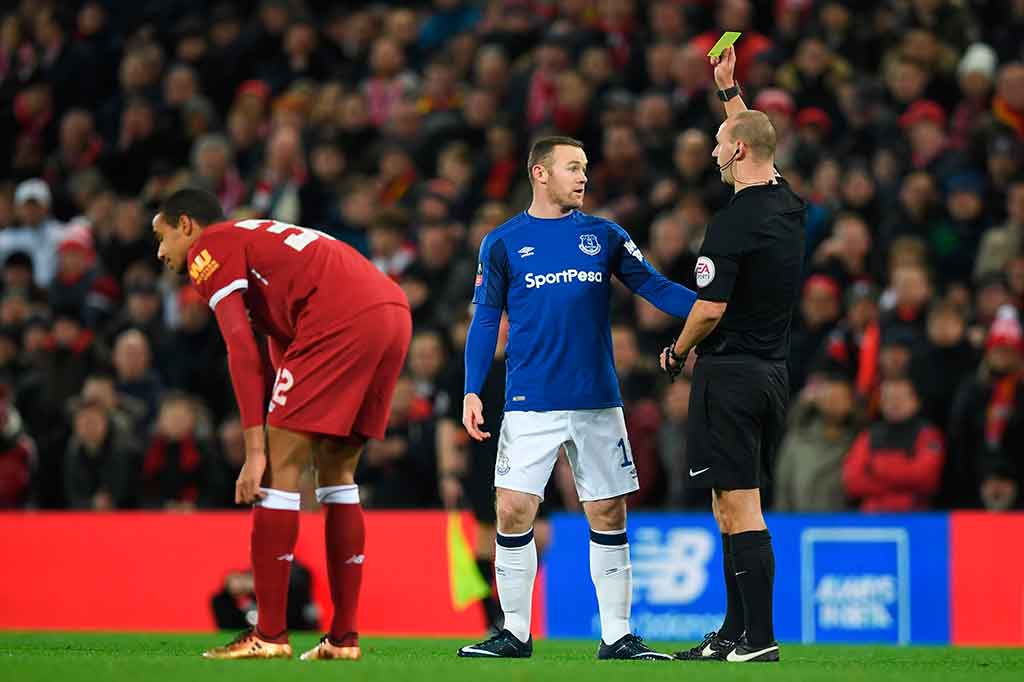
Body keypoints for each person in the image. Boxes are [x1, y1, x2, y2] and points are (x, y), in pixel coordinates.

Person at [456, 135, 698, 660]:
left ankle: (617, 636)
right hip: (529, 401)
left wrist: (712, 308)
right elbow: (485, 321)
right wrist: (472, 389)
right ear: (540, 173)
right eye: (572, 167)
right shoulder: (502, 243)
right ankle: (514, 632)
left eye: (585, 166)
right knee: (512, 509)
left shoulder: (605, 235)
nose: (583, 176)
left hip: (596, 401)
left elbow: (655, 287)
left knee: (608, 512)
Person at [151, 188, 411, 661]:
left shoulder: (210, 247)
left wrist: (255, 453)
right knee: (338, 475)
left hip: (338, 317)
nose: (160, 252)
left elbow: (240, 349)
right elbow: (280, 341)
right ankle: (343, 639)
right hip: (390, 312)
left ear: (186, 225)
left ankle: (269, 634)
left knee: (277, 474)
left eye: (162, 236)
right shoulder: (258, 242)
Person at [662, 46, 806, 664]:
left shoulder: (731, 223)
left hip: (731, 374)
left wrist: (677, 351)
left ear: (737, 151)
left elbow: (710, 308)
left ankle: (759, 638)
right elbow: (756, 140)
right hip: (770, 374)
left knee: (741, 505)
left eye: (721, 144)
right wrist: (729, 91)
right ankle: (731, 633)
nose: (716, 152)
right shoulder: (787, 205)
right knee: (727, 504)